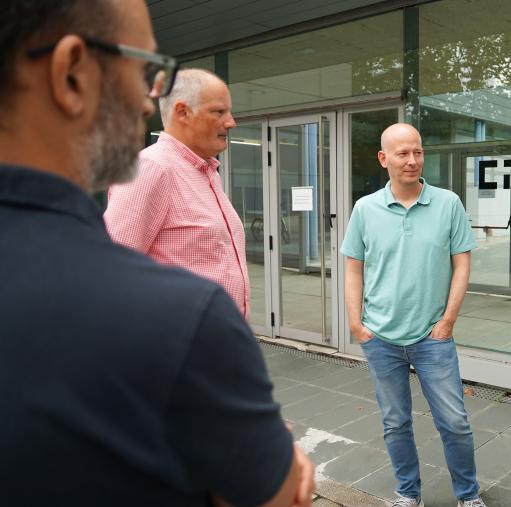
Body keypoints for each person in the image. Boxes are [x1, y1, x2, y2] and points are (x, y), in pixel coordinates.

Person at [0, 1, 314, 505]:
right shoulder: (152, 173)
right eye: (147, 71)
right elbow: (107, 274)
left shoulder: (205, 173)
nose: (150, 100)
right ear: (72, 74)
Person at [341, 123, 486, 507]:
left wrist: (448, 321)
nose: (412, 161)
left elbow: (462, 265)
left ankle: (468, 496)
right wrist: (357, 323)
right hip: (381, 337)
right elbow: (354, 268)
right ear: (383, 158)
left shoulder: (448, 203)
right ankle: (408, 494)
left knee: (454, 422)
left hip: (431, 337)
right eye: (403, 153)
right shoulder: (365, 209)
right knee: (395, 423)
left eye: (418, 152)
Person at [104, 67, 249, 317]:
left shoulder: (207, 172)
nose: (231, 122)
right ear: (183, 112)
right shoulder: (151, 168)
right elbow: (110, 270)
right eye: (219, 112)